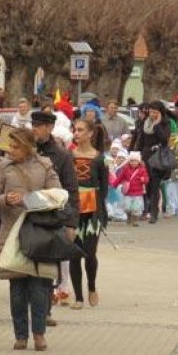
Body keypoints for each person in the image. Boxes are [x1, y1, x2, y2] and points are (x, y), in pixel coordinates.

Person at [0, 128, 61, 351]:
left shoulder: (44, 165)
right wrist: (6, 200)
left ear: (28, 146)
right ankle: (20, 335)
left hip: (39, 232)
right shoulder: (3, 167)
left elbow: (58, 195)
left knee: (39, 288)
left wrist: (31, 200)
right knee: (17, 289)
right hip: (12, 235)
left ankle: (39, 334)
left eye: (17, 146)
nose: (12, 150)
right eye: (11, 146)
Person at [30, 109, 80, 325]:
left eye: (39, 126)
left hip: (51, 217)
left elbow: (71, 189)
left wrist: (71, 222)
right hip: (27, 214)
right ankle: (31, 311)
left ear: (49, 128)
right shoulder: (25, 149)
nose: (34, 130)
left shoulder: (61, 155)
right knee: (26, 267)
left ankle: (45, 311)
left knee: (48, 266)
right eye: (33, 126)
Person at [68, 119, 109, 309]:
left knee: (90, 253)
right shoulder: (68, 156)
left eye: (80, 130)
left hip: (92, 213)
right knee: (74, 253)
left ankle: (92, 287)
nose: (76, 133)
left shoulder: (100, 158)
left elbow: (104, 189)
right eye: (75, 130)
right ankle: (78, 297)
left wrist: (101, 215)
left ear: (90, 134)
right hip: (73, 212)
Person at [136, 101, 171, 223]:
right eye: (151, 112)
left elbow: (164, 140)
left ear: (160, 113)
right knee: (146, 184)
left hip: (157, 156)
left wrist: (157, 125)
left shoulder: (165, 123)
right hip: (145, 155)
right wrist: (136, 154)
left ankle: (154, 213)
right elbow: (140, 139)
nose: (152, 114)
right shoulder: (144, 122)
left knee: (155, 184)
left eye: (155, 112)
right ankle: (145, 210)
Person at [113, 152, 149, 226]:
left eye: (135, 161)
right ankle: (129, 216)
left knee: (136, 207)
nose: (133, 163)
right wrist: (114, 185)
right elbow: (120, 178)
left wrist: (143, 179)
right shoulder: (125, 169)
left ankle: (135, 220)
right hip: (128, 192)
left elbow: (147, 179)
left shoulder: (142, 170)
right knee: (127, 207)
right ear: (129, 161)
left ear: (138, 161)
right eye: (131, 161)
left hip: (138, 193)